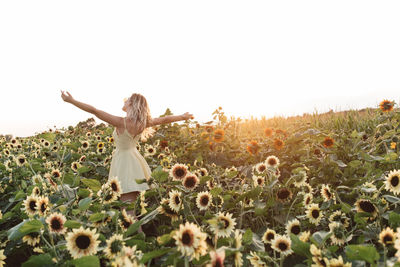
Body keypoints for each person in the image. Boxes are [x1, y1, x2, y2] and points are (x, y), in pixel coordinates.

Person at [60, 90, 193, 217]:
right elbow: (164, 119)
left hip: (124, 164)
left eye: (127, 99)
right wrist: (182, 117)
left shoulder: (120, 122)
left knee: (128, 213)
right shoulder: (143, 123)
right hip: (135, 162)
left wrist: (72, 101)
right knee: (129, 210)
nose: (125, 100)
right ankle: (139, 238)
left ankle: (140, 239)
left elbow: (94, 110)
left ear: (132, 104)